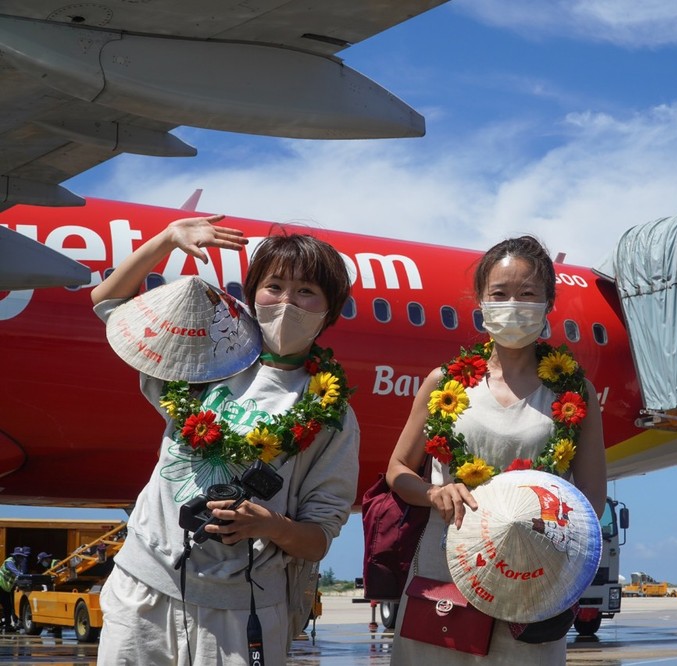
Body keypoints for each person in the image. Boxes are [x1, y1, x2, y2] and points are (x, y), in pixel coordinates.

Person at [91, 215, 360, 666]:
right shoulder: (207, 353)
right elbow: (110, 302)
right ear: (251, 294)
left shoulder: (333, 414)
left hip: (244, 607)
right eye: (274, 286)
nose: (287, 302)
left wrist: (268, 525)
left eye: (307, 291)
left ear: (329, 311)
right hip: (145, 586)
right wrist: (166, 239)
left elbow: (317, 538)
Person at [386, 235, 607, 664]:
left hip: (532, 573)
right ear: (481, 304)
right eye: (500, 294)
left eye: (528, 294)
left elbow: (591, 499)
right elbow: (398, 469)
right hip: (445, 568)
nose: (513, 304)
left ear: (548, 304)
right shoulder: (444, 383)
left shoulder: (575, 392)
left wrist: (542, 531)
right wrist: (434, 493)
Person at [0, 546, 29, 631]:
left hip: (5, 589)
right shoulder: (9, 562)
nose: (21, 558)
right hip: (0, 586)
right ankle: (8, 625)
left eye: (22, 557)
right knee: (6, 606)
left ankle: (8, 626)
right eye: (19, 556)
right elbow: (17, 574)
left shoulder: (18, 565)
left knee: (7, 607)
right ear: (15, 556)